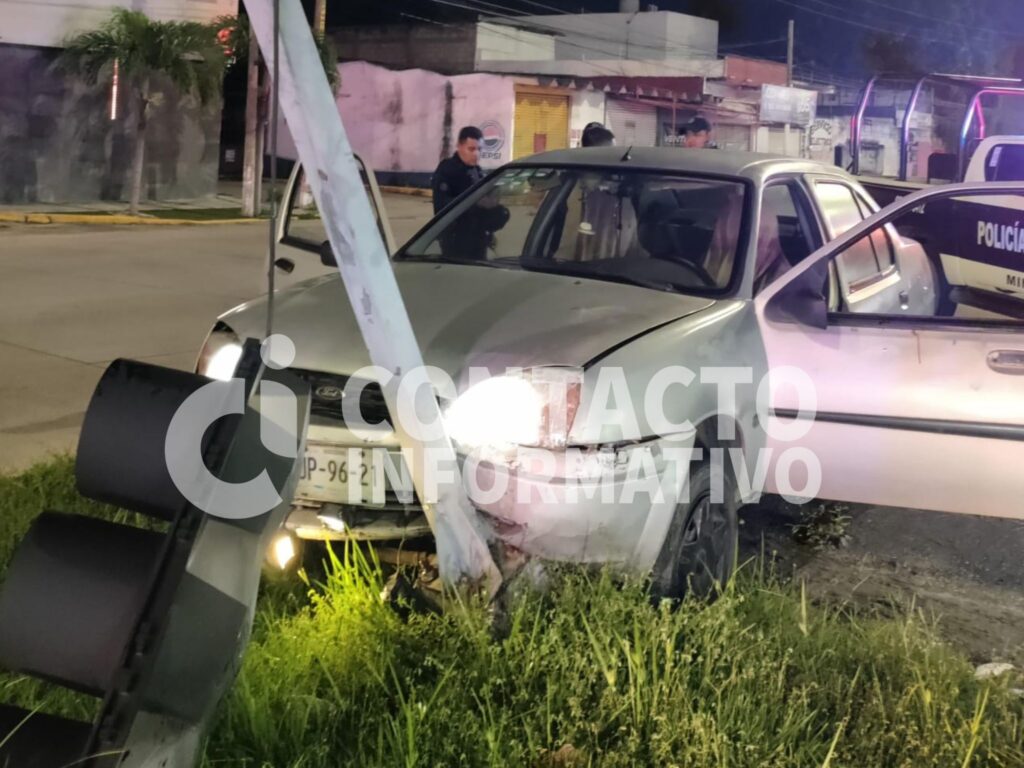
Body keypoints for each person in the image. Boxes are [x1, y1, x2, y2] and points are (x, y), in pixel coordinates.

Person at [432, 126, 485, 215]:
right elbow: (442, 206)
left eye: (479, 149)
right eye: (471, 149)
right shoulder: (447, 169)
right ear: (459, 146)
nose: (476, 154)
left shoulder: (478, 171)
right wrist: (477, 203)